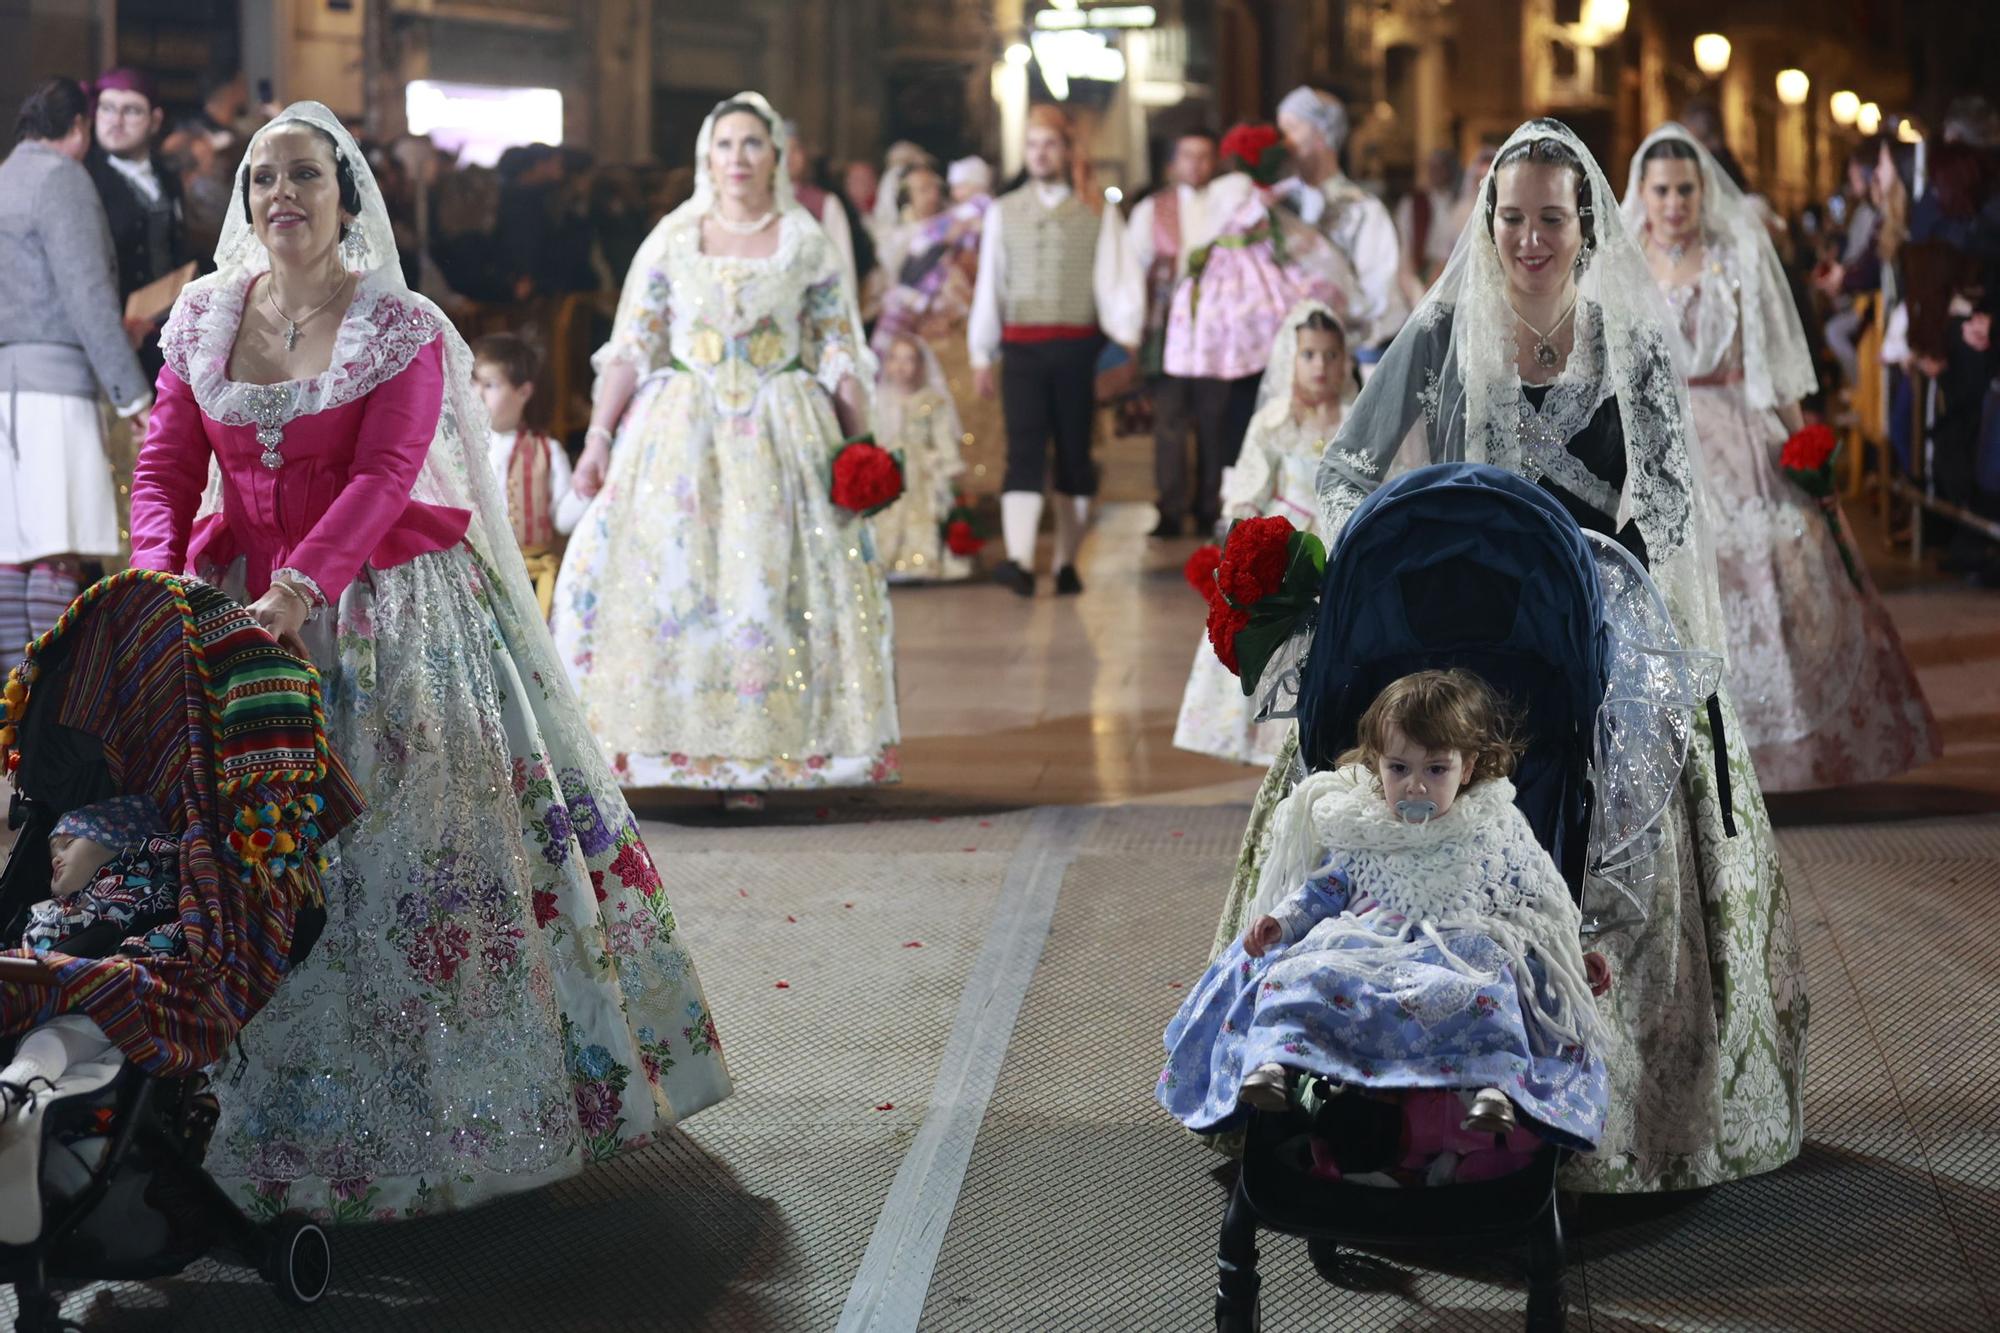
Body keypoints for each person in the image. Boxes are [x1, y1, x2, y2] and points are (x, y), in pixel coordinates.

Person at [126, 101, 731, 1216]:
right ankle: (223, 1111)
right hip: (229, 613)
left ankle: (442, 1114)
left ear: (347, 196)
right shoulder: (205, 319)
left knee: (406, 854)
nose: (281, 197)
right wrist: (161, 593)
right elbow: (164, 467)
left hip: (379, 609)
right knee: (240, 861)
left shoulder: (396, 323)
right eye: (262, 179)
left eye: (304, 176)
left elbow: (388, 470)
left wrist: (301, 588)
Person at [1213, 119, 1806, 1196]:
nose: (1529, 238)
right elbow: (1347, 465)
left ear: (1585, 227)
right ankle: (1338, 1064)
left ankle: (1586, 1102)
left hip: (1589, 616)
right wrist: (1384, 564)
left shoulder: (1628, 337)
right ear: (1485, 224)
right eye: (1510, 218)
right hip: (1454, 627)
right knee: (1375, 757)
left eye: (1550, 219)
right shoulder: (1443, 329)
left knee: (1622, 776)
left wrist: (1605, 571)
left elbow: (1669, 496)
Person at [552, 93, 899, 807]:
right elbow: (633, 344)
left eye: (752, 144)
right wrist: (598, 439)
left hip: (781, 430)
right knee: (676, 581)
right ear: (705, 158)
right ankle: (662, 747)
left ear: (777, 156)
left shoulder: (805, 242)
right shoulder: (674, 238)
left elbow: (838, 343)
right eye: (725, 145)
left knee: (767, 589)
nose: (738, 158)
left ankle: (757, 759)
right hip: (681, 432)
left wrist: (860, 443)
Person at [1161, 670, 1613, 1174]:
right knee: (1297, 973)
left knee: (1494, 984)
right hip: (1366, 944)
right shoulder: (1364, 826)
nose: (1415, 784)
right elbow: (1324, 890)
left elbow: (1537, 903)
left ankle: (1498, 1085)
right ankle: (1275, 1063)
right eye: (1399, 768)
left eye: (1436, 769)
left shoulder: (1494, 827)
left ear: (1467, 770)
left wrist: (1574, 953)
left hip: (1455, 947)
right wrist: (1282, 923)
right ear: (1377, 766)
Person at [1625, 125, 1941, 791]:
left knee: (1780, 556)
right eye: (1663, 190)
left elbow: (1771, 359)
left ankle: (1785, 756)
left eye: (1686, 188)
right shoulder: (1624, 259)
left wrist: (1805, 448)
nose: (1676, 202)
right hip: (1661, 436)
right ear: (1642, 194)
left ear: (1702, 190)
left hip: (1740, 423)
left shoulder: (1735, 252)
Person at [0, 77, 152, 669]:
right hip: (54, 388)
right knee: (57, 552)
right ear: (80, 128)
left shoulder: (5, 175)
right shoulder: (62, 179)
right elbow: (89, 296)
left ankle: (11, 725)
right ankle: (46, 715)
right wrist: (132, 397)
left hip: (5, 385)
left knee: (14, 553)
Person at [1173, 303, 1348, 765]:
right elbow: (1250, 489)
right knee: (1275, 642)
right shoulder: (1273, 422)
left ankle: (1317, 736)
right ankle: (1267, 743)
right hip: (1286, 547)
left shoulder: (1353, 420)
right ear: (1291, 358)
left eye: (1331, 356)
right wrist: (1240, 539)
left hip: (1335, 543)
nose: (1321, 367)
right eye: (1310, 355)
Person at [969, 105, 1125, 596]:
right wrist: (981, 351)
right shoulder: (1004, 210)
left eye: (1049, 144)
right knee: (1024, 451)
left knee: (1075, 455)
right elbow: (990, 283)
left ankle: (1065, 562)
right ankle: (1017, 560)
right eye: (1032, 145)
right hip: (1022, 349)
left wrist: (1126, 342)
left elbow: (1115, 280)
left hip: (1078, 348)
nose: (1040, 154)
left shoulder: (1096, 209)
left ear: (1066, 149)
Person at [1104, 129, 1231, 536]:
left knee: (1216, 420)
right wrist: (1130, 327)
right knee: (1169, 421)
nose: (1196, 164)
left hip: (1217, 332)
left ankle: (1212, 504)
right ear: (1173, 164)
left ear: (1214, 163)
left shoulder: (1228, 207)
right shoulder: (1151, 210)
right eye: (1188, 156)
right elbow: (1132, 268)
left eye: (1204, 156)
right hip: (1168, 329)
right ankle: (1170, 507)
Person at [1274, 87, 1406, 349]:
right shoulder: (1276, 203)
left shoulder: (1362, 210)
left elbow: (1381, 300)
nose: (1284, 142)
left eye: (1292, 129)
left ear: (1322, 133)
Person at [83, 67, 191, 386]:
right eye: (107, 108)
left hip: (166, 336)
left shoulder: (167, 178)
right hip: (115, 339)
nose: (116, 121)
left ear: (155, 121)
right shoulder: (85, 177)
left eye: (131, 111)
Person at [472, 333, 584, 616]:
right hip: (478, 577)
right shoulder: (463, 448)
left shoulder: (547, 451)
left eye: (490, 385)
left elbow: (563, 518)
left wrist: (587, 489)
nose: (477, 393)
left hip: (533, 579)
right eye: (473, 382)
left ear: (523, 392)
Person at [21, 795, 180, 960]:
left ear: (119, 841)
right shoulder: (57, 906)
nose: (55, 860)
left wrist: (133, 952)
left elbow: (174, 928)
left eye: (68, 843)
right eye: (53, 856)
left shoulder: (149, 879)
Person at [871, 332, 970, 581]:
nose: (902, 366)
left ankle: (918, 561)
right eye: (895, 358)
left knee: (922, 511)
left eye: (909, 359)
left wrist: (947, 465)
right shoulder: (877, 400)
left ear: (920, 365)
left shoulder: (932, 402)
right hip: (887, 470)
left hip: (922, 472)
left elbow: (943, 438)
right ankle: (886, 560)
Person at [786, 121, 862, 308]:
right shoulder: (752, 206)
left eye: (795, 150)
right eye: (781, 150)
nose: (788, 157)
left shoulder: (825, 203)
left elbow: (842, 264)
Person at [1396, 146, 1462, 296]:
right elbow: (1405, 243)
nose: (1436, 172)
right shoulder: (1413, 203)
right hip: (1421, 270)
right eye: (1432, 167)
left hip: (1453, 271)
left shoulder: (1457, 202)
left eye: (1440, 167)